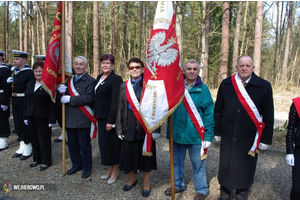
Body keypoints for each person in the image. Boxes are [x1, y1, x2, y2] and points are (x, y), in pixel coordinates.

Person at [214, 55, 274, 200]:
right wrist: (217, 130)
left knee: (245, 168)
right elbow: (218, 109)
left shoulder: (264, 86)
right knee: (226, 166)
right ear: (236, 67)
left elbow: (268, 114)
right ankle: (225, 194)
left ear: (253, 68)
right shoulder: (227, 84)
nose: (244, 68)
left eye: (248, 65)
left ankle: (241, 195)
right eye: (241, 65)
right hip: (228, 135)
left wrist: (265, 139)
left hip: (249, 137)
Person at [165, 59, 215, 200]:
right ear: (184, 70)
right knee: (176, 163)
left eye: (195, 69)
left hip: (196, 136)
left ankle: (201, 190)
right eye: (189, 69)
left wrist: (208, 136)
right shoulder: (175, 87)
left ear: (198, 71)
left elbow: (209, 114)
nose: (192, 71)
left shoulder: (203, 90)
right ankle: (177, 185)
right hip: (176, 133)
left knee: (198, 164)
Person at [116, 58, 159, 197]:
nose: (134, 69)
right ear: (128, 69)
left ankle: (146, 182)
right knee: (129, 156)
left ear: (142, 68)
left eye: (137, 67)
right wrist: (119, 128)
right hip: (128, 124)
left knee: (146, 157)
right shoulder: (124, 85)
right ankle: (132, 178)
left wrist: (156, 129)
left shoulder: (149, 85)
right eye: (131, 67)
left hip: (144, 127)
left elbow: (156, 108)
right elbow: (119, 108)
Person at [58, 56, 95, 179]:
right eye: (76, 64)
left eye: (81, 64)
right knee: (72, 145)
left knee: (84, 146)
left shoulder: (90, 81)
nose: (78, 66)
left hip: (82, 118)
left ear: (86, 66)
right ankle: (76, 164)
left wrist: (71, 99)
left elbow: (89, 98)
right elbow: (61, 98)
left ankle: (87, 167)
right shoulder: (67, 80)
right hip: (69, 118)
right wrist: (60, 91)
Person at [94, 54, 123, 184]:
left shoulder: (116, 79)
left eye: (108, 63)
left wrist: (111, 121)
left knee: (113, 145)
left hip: (110, 119)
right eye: (103, 63)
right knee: (104, 145)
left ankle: (115, 170)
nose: (105, 65)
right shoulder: (99, 77)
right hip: (100, 117)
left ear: (113, 65)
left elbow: (115, 101)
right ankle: (110, 169)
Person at [24, 60, 56, 171]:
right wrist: (25, 116)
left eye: (40, 71)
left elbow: (52, 104)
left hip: (43, 117)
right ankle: (37, 159)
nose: (37, 73)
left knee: (44, 140)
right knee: (34, 138)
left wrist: (52, 119)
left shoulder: (48, 85)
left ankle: (47, 161)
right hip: (31, 115)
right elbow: (26, 100)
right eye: (36, 71)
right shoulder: (30, 83)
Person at [7, 50, 35, 160]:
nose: (15, 60)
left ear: (24, 60)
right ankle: (22, 145)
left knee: (25, 124)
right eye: (14, 59)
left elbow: (29, 90)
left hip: (24, 100)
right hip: (15, 100)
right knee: (18, 123)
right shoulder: (16, 72)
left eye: (17, 59)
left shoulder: (28, 73)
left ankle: (28, 146)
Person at [286, 97, 300, 199]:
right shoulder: (297, 103)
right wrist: (289, 151)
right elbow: (291, 128)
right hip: (299, 150)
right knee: (297, 188)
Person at [0, 51, 12, 151]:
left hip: (1, 97)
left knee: (2, 119)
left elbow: (6, 87)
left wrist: (5, 101)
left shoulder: (4, 70)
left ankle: (4, 137)